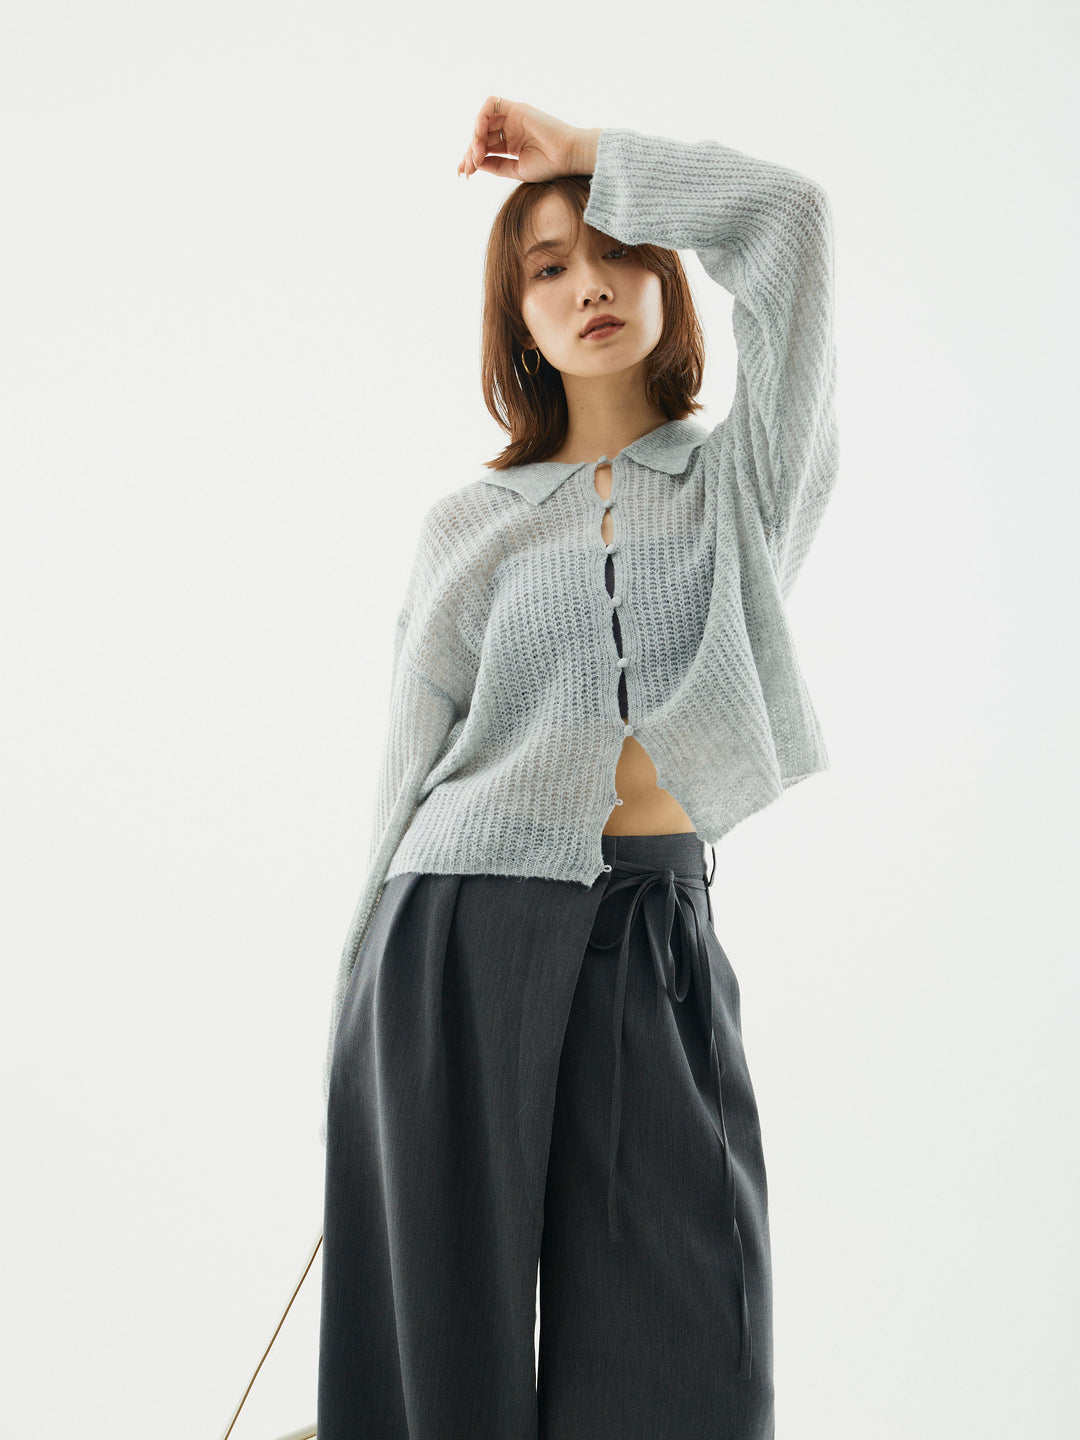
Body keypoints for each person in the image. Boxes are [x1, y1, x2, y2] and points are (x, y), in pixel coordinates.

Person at [317, 95, 839, 1440]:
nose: (587, 284)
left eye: (613, 249)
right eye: (547, 267)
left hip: (652, 927)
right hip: (452, 935)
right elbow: (405, 766)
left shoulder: (738, 486)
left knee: (688, 1341)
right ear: (519, 318)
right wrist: (357, 1020)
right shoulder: (466, 526)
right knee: (442, 1366)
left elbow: (791, 221)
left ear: (666, 269)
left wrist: (591, 158)